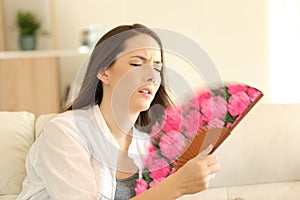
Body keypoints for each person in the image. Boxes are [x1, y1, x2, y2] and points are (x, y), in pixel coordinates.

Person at [17, 23, 220, 200]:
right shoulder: (66, 132)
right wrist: (176, 186)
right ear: (104, 72)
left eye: (157, 67)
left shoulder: (148, 144)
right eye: (137, 63)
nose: (151, 75)